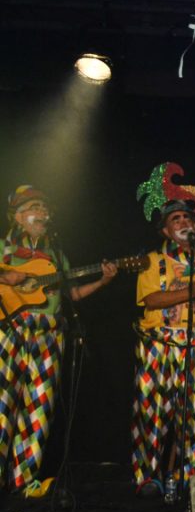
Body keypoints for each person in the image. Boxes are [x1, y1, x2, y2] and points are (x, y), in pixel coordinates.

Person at [0, 185, 117, 493]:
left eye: (44, 207)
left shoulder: (55, 255)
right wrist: (6, 276)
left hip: (50, 334)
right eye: (34, 207)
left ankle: (23, 484)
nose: (42, 212)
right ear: (17, 216)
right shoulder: (3, 249)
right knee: (2, 405)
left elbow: (72, 295)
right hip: (10, 331)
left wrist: (103, 280)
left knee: (39, 408)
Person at [132, 199, 195, 497]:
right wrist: (189, 292)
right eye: (176, 219)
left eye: (187, 218)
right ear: (166, 231)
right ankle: (148, 478)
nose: (183, 223)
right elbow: (150, 300)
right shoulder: (152, 260)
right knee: (152, 413)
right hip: (157, 344)